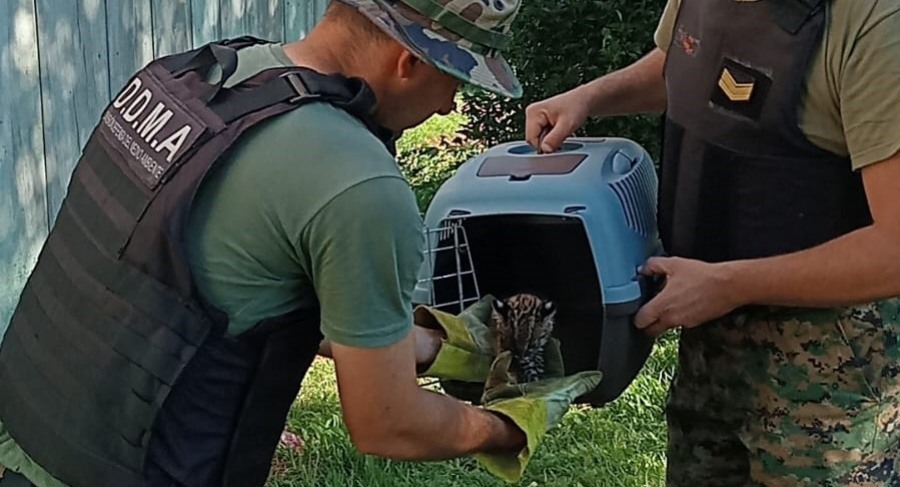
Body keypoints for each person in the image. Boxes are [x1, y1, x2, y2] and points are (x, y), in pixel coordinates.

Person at [0, 1, 599, 486]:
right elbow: (387, 424)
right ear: (409, 61)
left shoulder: (202, 76)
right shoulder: (356, 182)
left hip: (23, 440)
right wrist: (507, 426)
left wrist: (431, 346)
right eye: (458, 77)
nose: (451, 103)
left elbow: (219, 292)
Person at [526, 0, 900, 485]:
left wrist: (730, 284)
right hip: (708, 339)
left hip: (831, 381)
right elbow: (686, 62)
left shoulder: (874, 24)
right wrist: (592, 96)